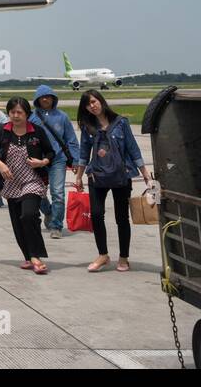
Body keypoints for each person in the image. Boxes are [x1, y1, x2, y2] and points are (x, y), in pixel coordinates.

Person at [74, 89, 150, 272]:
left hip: (120, 176)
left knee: (121, 218)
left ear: (101, 100)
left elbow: (133, 148)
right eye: (87, 104)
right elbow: (84, 153)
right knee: (97, 214)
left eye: (93, 101)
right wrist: (78, 176)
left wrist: (144, 171)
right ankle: (103, 255)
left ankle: (123, 257)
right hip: (96, 176)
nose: (92, 106)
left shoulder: (121, 122)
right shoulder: (87, 127)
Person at [0, 97, 53, 274]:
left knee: (29, 215)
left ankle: (36, 257)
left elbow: (50, 152)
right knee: (17, 222)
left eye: (20, 112)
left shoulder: (36, 131)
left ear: (27, 114)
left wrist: (42, 162)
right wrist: (1, 165)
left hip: (33, 181)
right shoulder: (2, 131)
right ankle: (29, 257)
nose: (16, 116)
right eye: (12, 112)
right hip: (11, 183)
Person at [31, 85, 80, 240]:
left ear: (53, 98)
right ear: (37, 100)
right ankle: (49, 212)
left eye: (48, 96)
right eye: (42, 97)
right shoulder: (32, 117)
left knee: (58, 193)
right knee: (36, 193)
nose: (45, 99)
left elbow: (71, 140)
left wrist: (76, 159)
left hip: (58, 159)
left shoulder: (62, 117)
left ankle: (56, 226)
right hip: (37, 160)